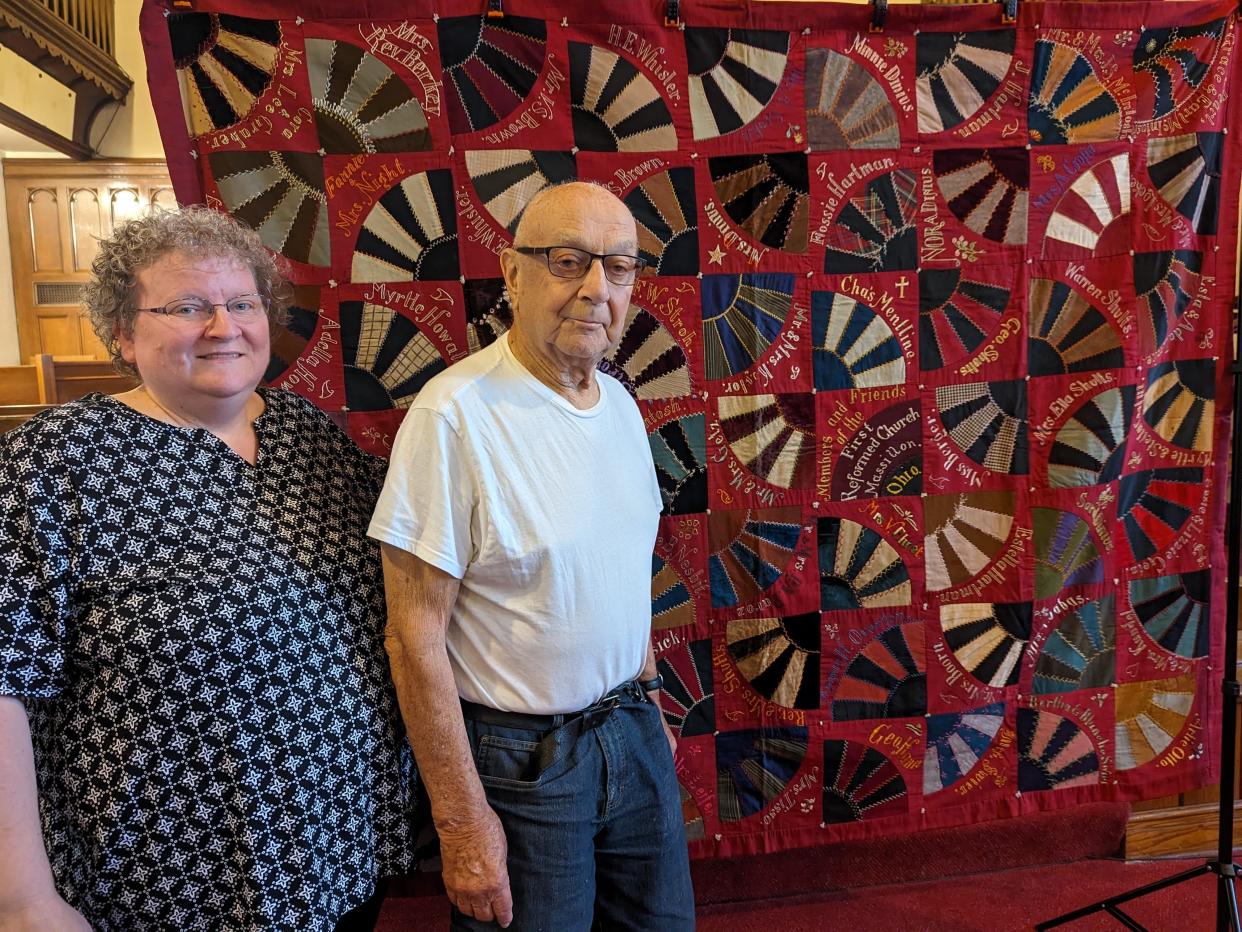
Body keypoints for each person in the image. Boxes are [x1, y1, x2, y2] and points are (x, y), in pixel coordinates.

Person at [0, 207, 419, 931]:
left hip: (337, 853)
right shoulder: (53, 464)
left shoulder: (308, 434)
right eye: (187, 307)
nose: (224, 328)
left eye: (242, 304)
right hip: (169, 879)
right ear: (123, 333)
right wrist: (23, 899)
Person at [370, 181, 695, 931]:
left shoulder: (619, 405)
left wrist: (648, 702)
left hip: (631, 732)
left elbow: (620, 570)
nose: (594, 288)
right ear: (512, 275)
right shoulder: (453, 416)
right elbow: (411, 635)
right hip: (523, 763)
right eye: (566, 260)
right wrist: (460, 824)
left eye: (617, 268)